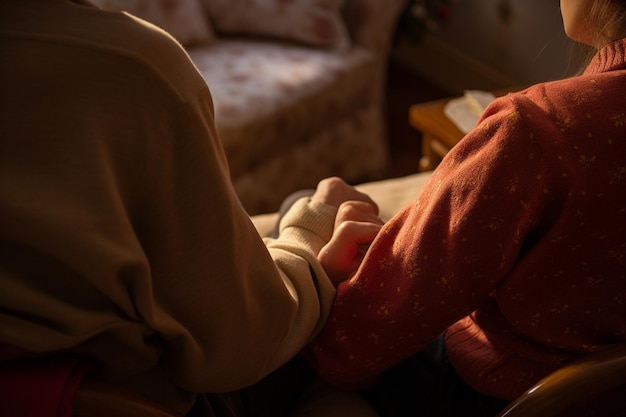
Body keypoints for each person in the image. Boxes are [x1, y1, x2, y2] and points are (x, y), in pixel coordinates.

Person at [0, 1, 379, 416]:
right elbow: (236, 346)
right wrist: (310, 232)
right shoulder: (131, 67)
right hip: (133, 395)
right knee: (368, 297)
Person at [303, 0, 626, 415]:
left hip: (499, 396)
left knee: (309, 208)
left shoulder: (538, 130)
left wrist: (320, 330)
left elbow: (374, 326)